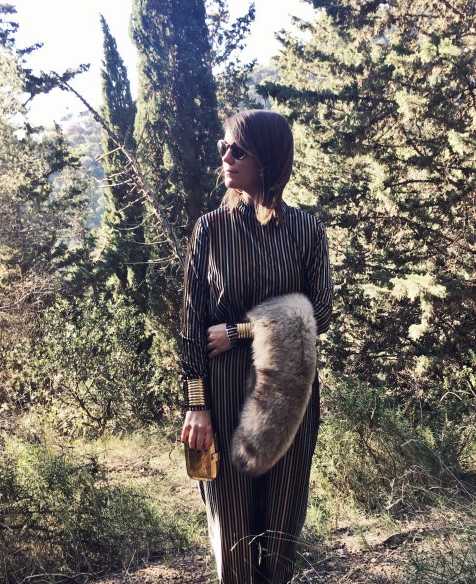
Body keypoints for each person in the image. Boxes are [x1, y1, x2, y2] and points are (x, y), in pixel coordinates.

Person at [180, 109, 333, 584]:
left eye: (237, 149)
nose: (225, 157)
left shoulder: (307, 230)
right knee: (231, 528)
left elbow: (320, 314)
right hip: (223, 391)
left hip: (290, 393)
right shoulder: (210, 229)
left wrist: (241, 331)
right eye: (223, 147)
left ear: (267, 159)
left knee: (283, 525)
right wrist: (196, 406)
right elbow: (192, 325)